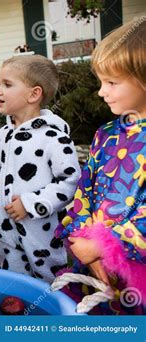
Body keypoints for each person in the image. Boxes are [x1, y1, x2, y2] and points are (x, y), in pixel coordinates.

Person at [55, 19, 145, 314]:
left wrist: (110, 245)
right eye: (100, 82)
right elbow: (85, 191)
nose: (101, 92)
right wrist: (83, 240)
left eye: (112, 82)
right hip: (94, 264)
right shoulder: (105, 134)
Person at [0, 55, 81, 283]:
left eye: (7, 85)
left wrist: (30, 204)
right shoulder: (2, 135)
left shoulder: (54, 138)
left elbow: (70, 181)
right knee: (16, 283)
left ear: (34, 94)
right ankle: (19, 313)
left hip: (43, 236)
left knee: (49, 283)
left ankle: (52, 315)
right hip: (7, 231)